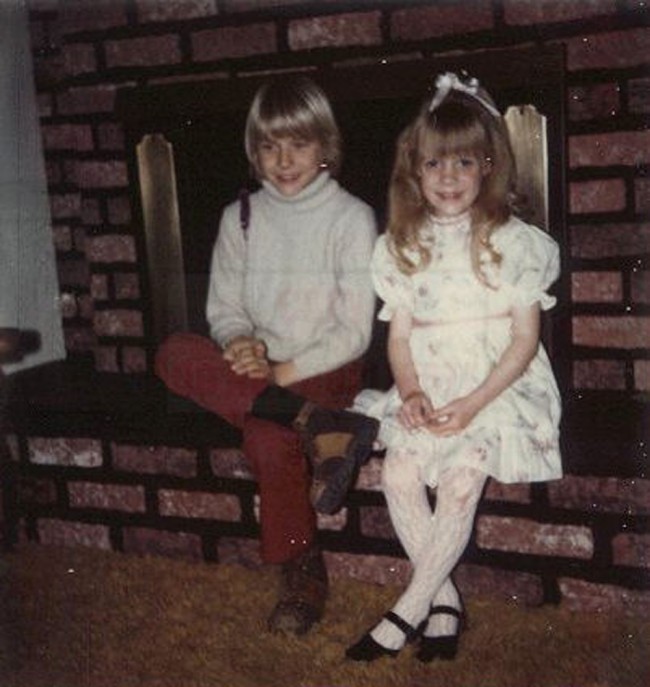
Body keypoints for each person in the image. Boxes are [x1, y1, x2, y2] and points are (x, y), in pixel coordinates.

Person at [345, 72, 562, 662]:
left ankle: (407, 610)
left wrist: (473, 403)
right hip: (431, 383)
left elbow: (523, 340)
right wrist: (410, 391)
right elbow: (400, 339)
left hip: (494, 388)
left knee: (462, 482)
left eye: (464, 163)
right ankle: (444, 600)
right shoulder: (401, 245)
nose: (448, 178)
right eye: (435, 164)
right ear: (414, 169)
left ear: (489, 166)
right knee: (397, 476)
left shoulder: (516, 243)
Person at [155, 75, 378, 636]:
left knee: (266, 435)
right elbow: (224, 308)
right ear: (254, 151)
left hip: (323, 367)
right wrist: (238, 341)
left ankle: (302, 572)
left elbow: (353, 333)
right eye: (269, 146)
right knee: (175, 352)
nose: (283, 160)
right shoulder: (241, 218)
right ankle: (318, 427)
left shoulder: (351, 218)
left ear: (325, 147)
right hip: (260, 370)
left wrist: (279, 371)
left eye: (298, 144)